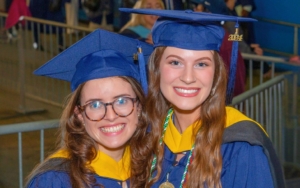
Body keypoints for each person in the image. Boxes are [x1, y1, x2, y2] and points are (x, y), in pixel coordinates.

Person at [119, 8, 286, 187]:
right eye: (175, 62)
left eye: (201, 64)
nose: (188, 77)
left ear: (216, 73)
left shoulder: (241, 146)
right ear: (157, 69)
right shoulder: (146, 135)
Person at [25, 29, 153, 187]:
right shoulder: (55, 180)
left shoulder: (153, 168)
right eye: (95, 104)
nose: (111, 116)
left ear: (139, 107)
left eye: (121, 101)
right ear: (79, 113)